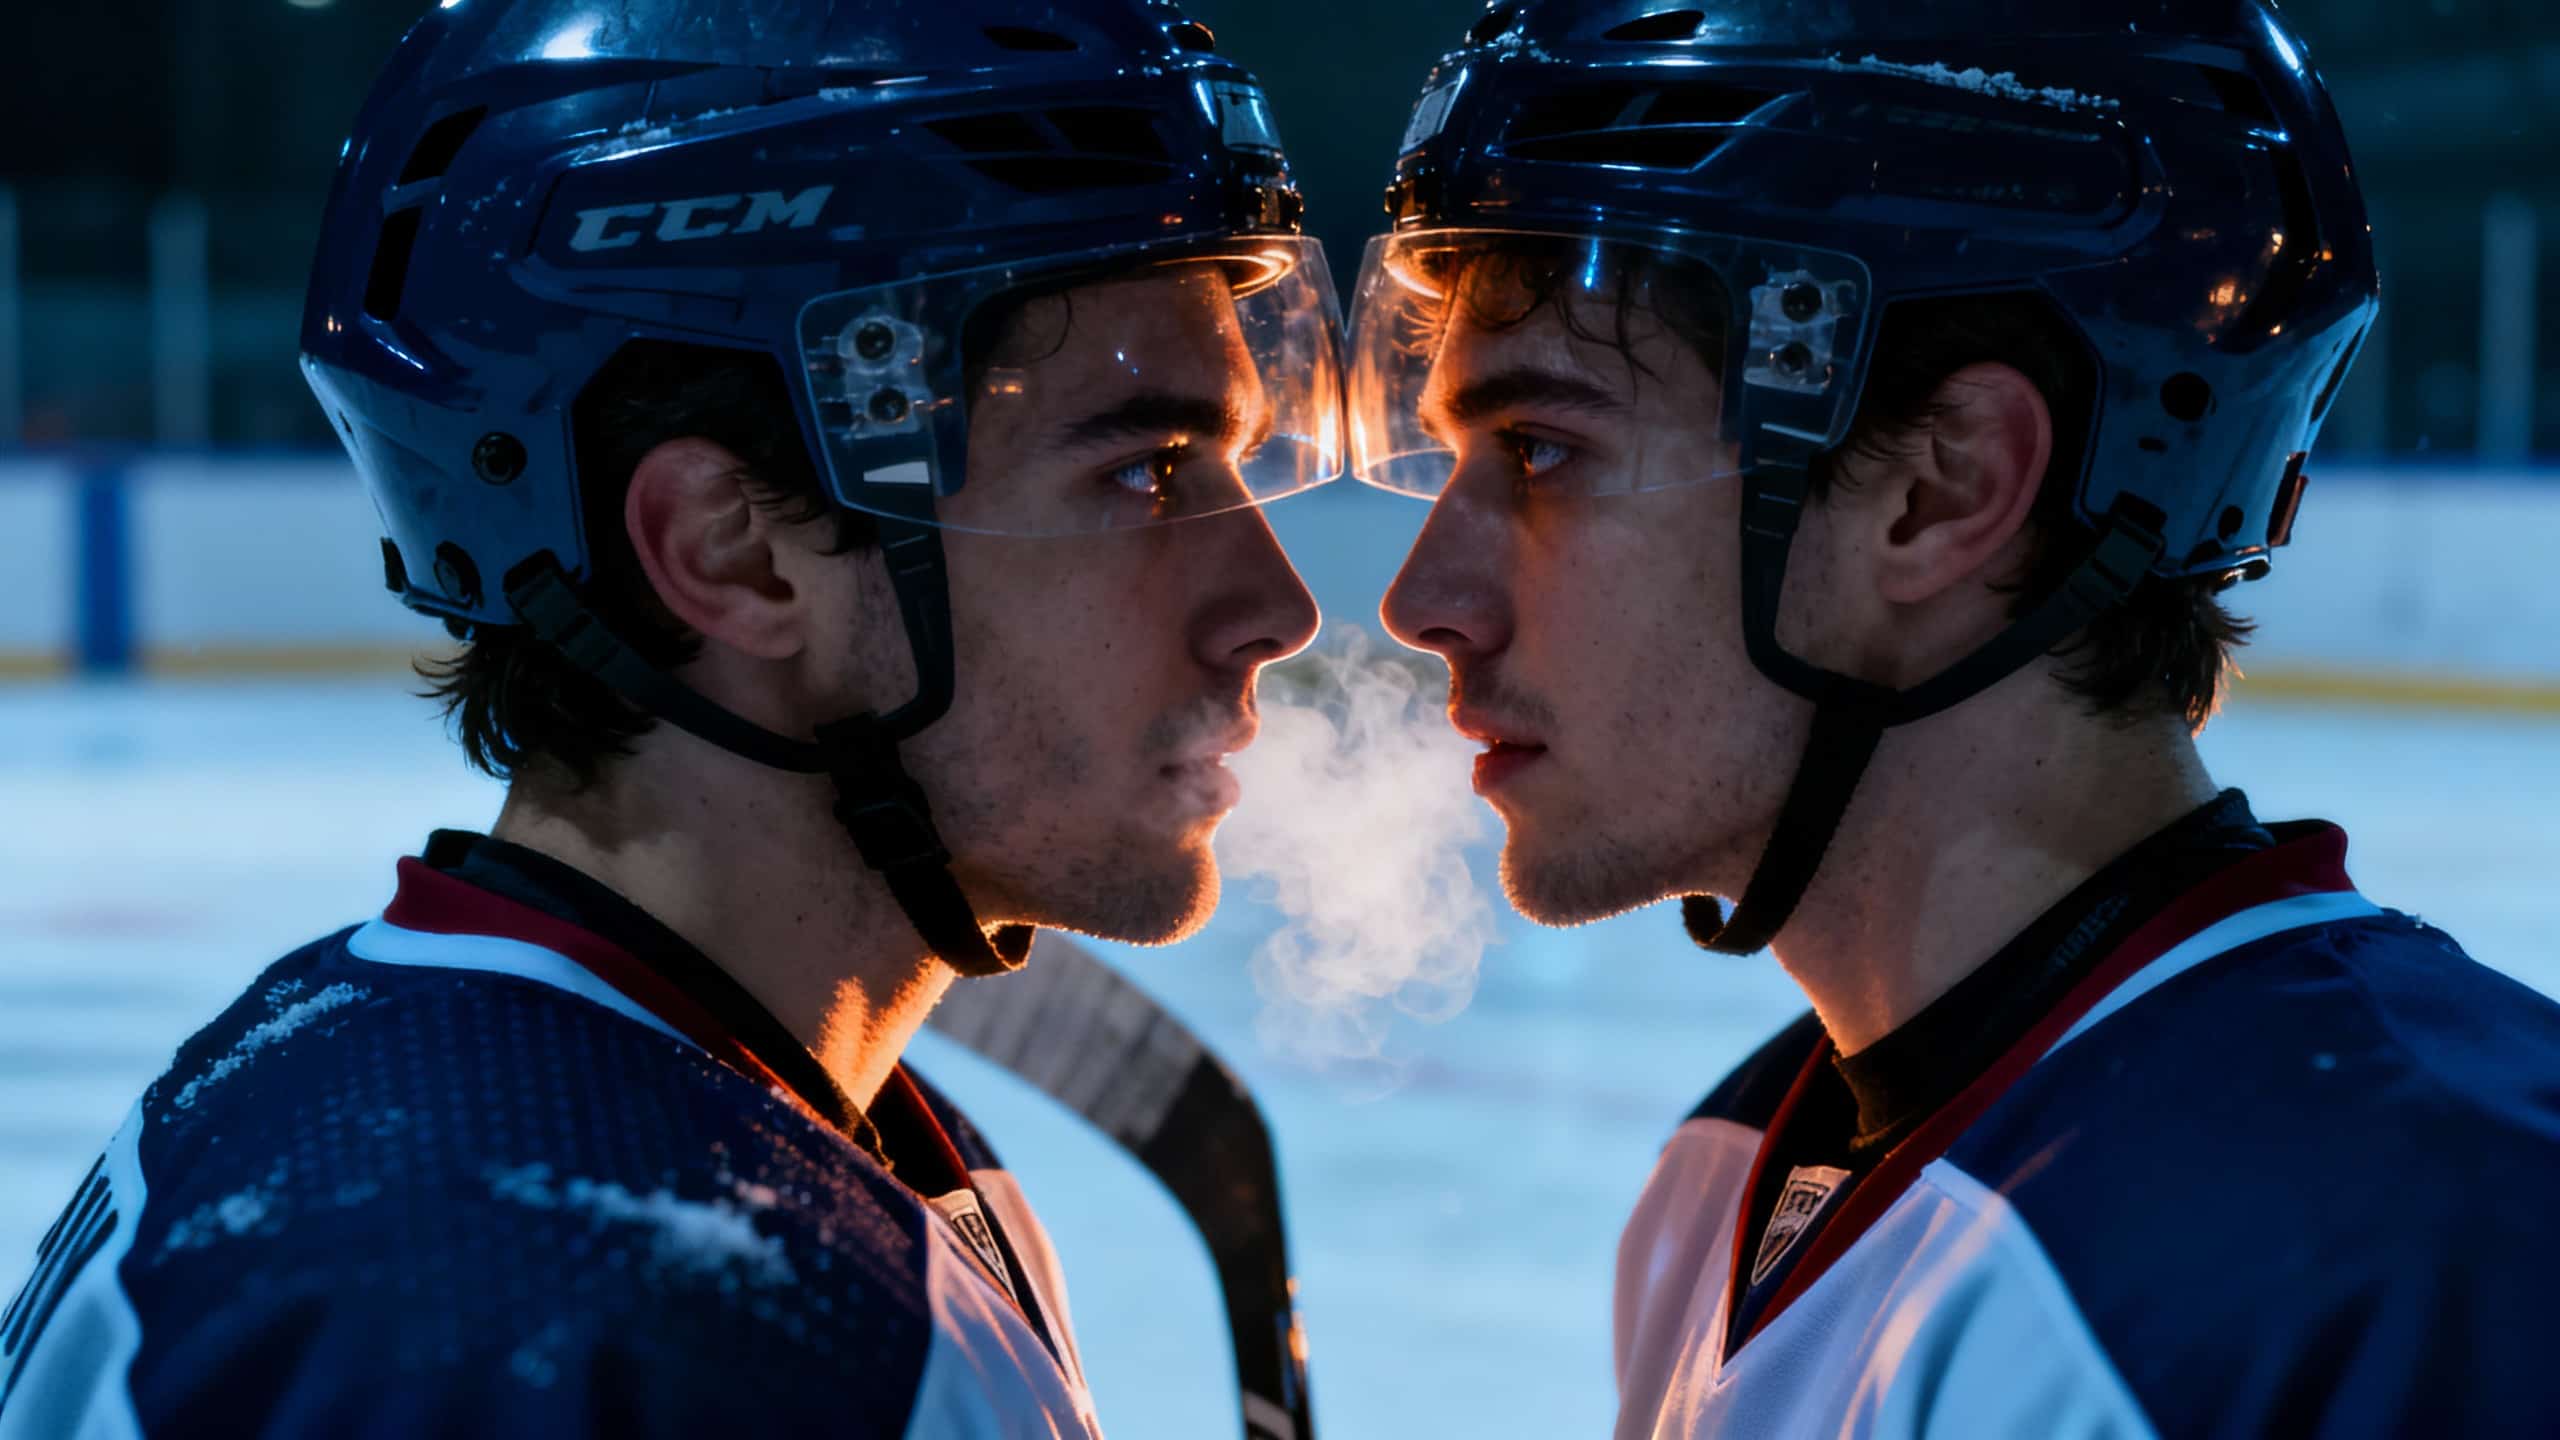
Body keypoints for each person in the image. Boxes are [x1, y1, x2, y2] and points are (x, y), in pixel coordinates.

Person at [0, 2, 1337, 1434]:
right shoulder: (578, 1315)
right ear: (731, 553)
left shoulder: (712, 1148)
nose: (1276, 604)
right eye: (1143, 472)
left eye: (1239, 458)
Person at [1355, 0, 2560, 1432]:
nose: (1424, 596)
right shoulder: (1730, 1176)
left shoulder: (2423, 1248)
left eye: (1544, 450)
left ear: (1942, 490)